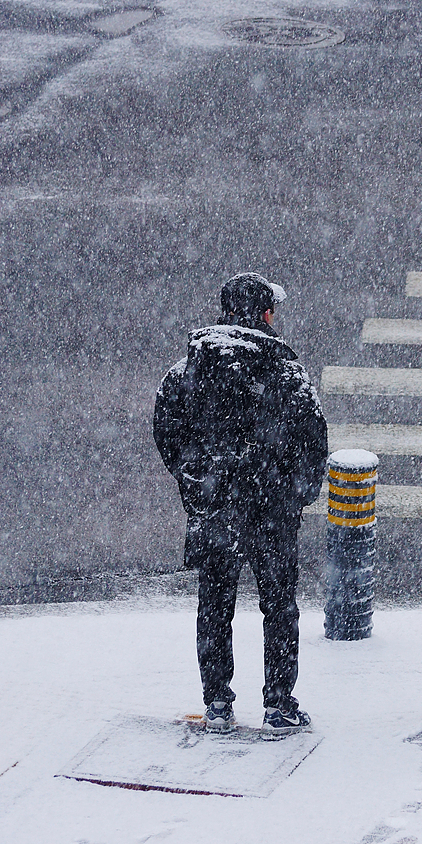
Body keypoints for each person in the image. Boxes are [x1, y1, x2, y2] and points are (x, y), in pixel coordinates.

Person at [153, 272, 328, 737]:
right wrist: (295, 494)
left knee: (214, 604)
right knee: (279, 606)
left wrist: (195, 481)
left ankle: (216, 703)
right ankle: (278, 704)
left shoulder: (189, 370)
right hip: (271, 510)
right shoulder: (287, 372)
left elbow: (167, 431)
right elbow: (313, 443)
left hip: (215, 508)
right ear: (267, 314)